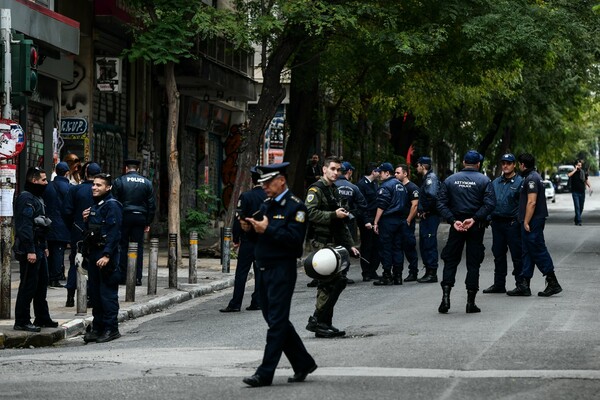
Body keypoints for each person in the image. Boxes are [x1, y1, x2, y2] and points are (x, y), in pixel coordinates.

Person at [241, 162, 317, 387]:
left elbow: (295, 243)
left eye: (267, 182)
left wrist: (268, 230)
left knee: (276, 323)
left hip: (282, 270)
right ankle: (303, 363)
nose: (263, 186)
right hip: (263, 269)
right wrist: (251, 230)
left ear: (281, 180)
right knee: (276, 320)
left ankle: (264, 373)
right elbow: (261, 237)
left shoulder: (297, 207)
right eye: (262, 182)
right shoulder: (267, 205)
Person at [305, 155, 359, 338]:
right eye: (333, 169)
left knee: (336, 281)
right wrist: (333, 215)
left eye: (339, 170)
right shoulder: (316, 190)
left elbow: (340, 222)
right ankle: (317, 321)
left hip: (333, 242)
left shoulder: (333, 190)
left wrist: (351, 245)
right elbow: (310, 213)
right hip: (321, 241)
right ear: (324, 169)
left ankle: (325, 322)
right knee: (328, 283)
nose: (336, 173)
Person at [437, 150, 496, 314]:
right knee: (473, 262)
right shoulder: (484, 180)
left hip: (456, 226)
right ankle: (471, 303)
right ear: (478, 164)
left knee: (450, 260)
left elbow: (440, 203)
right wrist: (475, 219)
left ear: (463, 162)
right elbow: (490, 204)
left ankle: (445, 298)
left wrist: (452, 220)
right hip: (475, 227)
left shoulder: (450, 180)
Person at [507, 153, 563, 297]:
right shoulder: (531, 177)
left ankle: (552, 282)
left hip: (533, 220)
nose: (519, 166)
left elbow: (532, 202)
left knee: (537, 248)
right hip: (530, 219)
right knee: (527, 250)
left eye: (519, 164)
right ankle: (524, 284)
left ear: (523, 165)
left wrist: (526, 221)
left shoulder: (531, 178)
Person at [13, 167, 57, 332]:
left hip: (38, 247)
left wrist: (43, 246)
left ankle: (42, 318)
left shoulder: (37, 197)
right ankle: (22, 321)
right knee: (28, 286)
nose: (46, 183)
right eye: (43, 180)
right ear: (34, 180)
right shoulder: (26, 199)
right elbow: (25, 227)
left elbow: (41, 224)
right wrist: (31, 250)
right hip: (29, 249)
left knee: (41, 285)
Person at [81, 173, 123, 343]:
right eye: (94, 184)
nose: (94, 187)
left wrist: (107, 254)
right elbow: (93, 230)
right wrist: (85, 220)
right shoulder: (97, 205)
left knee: (107, 294)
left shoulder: (112, 205)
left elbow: (114, 233)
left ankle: (111, 329)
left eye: (99, 185)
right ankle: (98, 328)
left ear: (108, 188)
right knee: (95, 294)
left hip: (106, 255)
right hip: (94, 253)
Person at [220, 166, 266, 313]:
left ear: (252, 180)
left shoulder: (246, 196)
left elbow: (238, 219)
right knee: (260, 272)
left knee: (241, 273)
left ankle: (235, 303)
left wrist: (236, 238)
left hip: (248, 241)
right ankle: (257, 301)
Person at [483, 153, 523, 294]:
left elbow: (522, 205)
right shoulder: (495, 182)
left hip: (512, 224)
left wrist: (519, 221)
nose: (505, 165)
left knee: (517, 255)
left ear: (514, 165)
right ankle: (499, 284)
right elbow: (489, 202)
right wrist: (488, 217)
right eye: (503, 163)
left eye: (508, 163)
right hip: (497, 224)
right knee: (498, 255)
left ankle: (521, 284)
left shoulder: (520, 182)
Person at [62, 162, 102, 307]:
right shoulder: (102, 191)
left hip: (77, 229)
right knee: (93, 262)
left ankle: (70, 296)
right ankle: (90, 296)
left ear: (86, 173)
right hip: (97, 231)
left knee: (75, 261)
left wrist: (73, 225)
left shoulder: (76, 190)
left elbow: (66, 211)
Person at [112, 159, 156, 286]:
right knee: (138, 247)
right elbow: (151, 205)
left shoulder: (119, 181)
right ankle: (137, 277)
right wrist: (148, 222)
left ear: (126, 168)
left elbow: (114, 202)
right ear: (137, 169)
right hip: (140, 218)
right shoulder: (147, 183)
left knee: (122, 246)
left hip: (124, 217)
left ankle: (122, 276)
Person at [372, 162, 408, 286]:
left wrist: (376, 222)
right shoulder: (401, 186)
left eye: (381, 172)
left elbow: (381, 205)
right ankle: (398, 276)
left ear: (387, 173)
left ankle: (387, 275)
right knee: (398, 248)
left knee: (386, 248)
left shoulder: (386, 186)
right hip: (400, 221)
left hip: (388, 221)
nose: (379, 175)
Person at [334, 161, 368, 282]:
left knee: (333, 246)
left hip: (332, 220)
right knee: (347, 246)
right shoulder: (353, 187)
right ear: (349, 172)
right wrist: (353, 214)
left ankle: (332, 273)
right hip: (349, 221)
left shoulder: (331, 186)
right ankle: (343, 273)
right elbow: (363, 205)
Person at [43, 162, 72, 287]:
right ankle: (55, 277)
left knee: (48, 250)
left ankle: (47, 275)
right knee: (58, 251)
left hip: (48, 223)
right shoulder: (69, 188)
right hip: (62, 224)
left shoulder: (48, 186)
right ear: (67, 172)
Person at [416, 156, 440, 283]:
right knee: (425, 243)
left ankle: (432, 273)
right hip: (428, 216)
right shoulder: (427, 178)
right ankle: (428, 271)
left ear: (423, 166)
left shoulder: (431, 179)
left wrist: (427, 210)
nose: (416, 168)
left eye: (418, 165)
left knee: (429, 243)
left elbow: (432, 196)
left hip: (430, 216)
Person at [394, 164, 420, 282]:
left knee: (409, 247)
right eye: (395, 172)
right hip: (397, 221)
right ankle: (398, 273)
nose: (395, 175)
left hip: (406, 222)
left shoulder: (412, 187)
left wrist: (408, 220)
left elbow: (415, 205)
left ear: (405, 174)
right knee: (397, 246)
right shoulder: (396, 186)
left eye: (398, 173)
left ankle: (413, 272)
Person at [356, 162, 381, 281]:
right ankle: (365, 271)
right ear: (373, 172)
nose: (380, 173)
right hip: (367, 219)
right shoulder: (361, 185)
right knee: (367, 245)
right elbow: (361, 205)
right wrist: (366, 220)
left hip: (375, 219)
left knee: (376, 245)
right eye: (378, 171)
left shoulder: (375, 184)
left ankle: (373, 270)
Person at [567, 159, 591, 226]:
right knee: (577, 207)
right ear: (575, 165)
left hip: (582, 192)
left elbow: (585, 180)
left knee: (581, 207)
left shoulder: (582, 172)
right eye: (578, 165)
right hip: (575, 192)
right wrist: (575, 170)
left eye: (580, 165)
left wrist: (590, 187)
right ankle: (579, 221)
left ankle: (576, 219)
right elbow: (569, 175)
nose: (579, 166)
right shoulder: (572, 172)